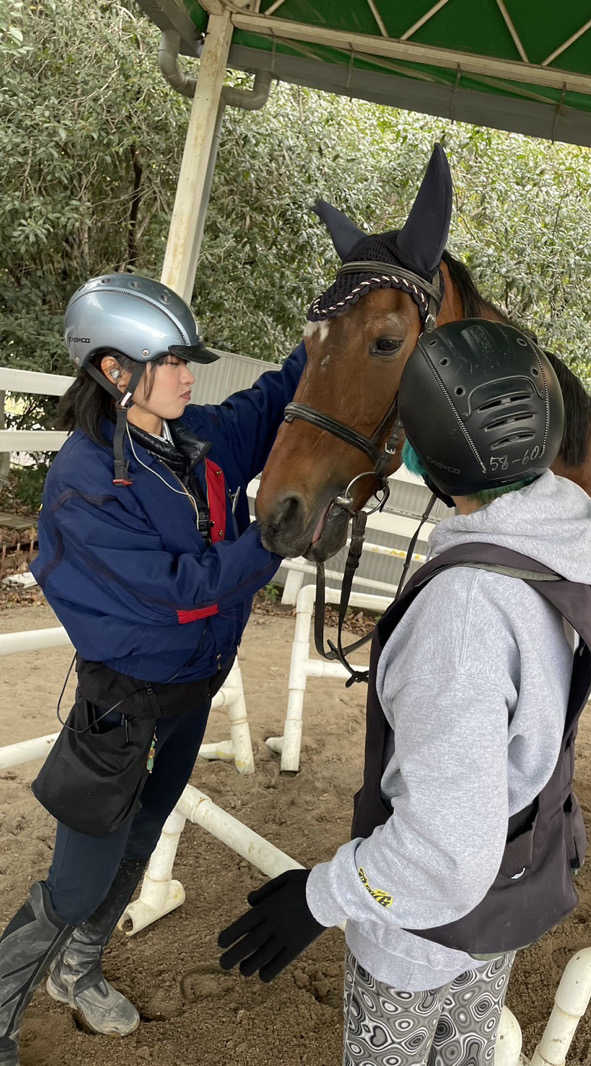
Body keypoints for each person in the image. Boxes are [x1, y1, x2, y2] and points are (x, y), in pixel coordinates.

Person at [218, 318, 591, 1066]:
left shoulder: (464, 614)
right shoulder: (556, 542)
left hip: (421, 936)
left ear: (426, 455)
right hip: (502, 902)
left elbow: (442, 858)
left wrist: (319, 898)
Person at [0, 273, 305, 1066]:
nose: (188, 374)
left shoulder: (188, 437)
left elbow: (267, 404)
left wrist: (330, 336)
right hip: (123, 709)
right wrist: (271, 540)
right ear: (115, 370)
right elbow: (181, 592)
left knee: (138, 845)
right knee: (74, 881)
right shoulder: (85, 482)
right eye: (171, 361)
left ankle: (78, 969)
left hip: (188, 696)